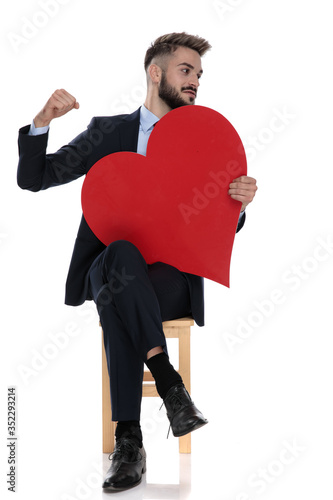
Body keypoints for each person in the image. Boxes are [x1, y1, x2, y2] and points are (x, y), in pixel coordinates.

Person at [17, 32, 257, 491]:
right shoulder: (108, 132)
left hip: (169, 279)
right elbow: (34, 179)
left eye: (199, 75)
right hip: (110, 267)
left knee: (117, 291)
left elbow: (214, 229)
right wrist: (43, 121)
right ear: (156, 72)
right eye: (186, 71)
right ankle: (172, 389)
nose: (195, 83)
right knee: (120, 257)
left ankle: (129, 441)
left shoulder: (202, 142)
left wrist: (238, 207)